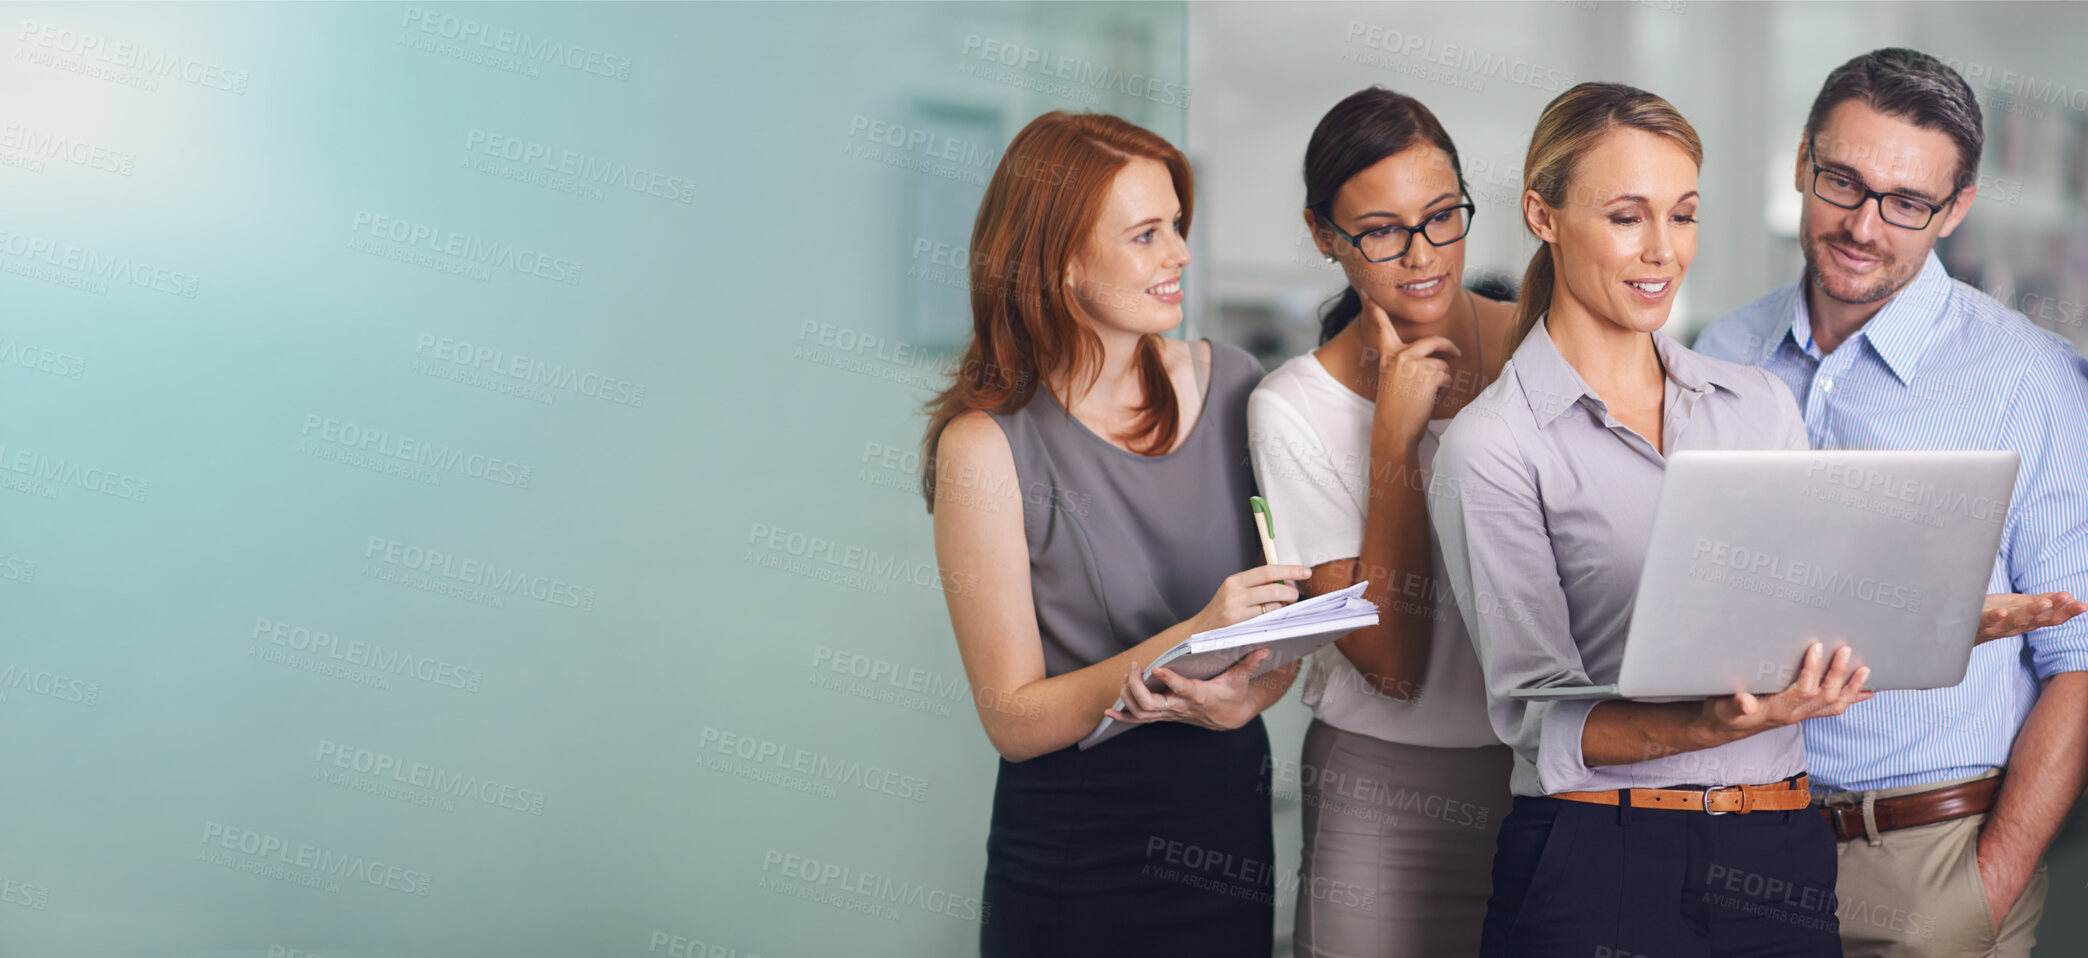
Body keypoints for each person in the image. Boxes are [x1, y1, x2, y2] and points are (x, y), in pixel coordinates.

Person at [1428, 82, 1869, 957]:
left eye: (1683, 215)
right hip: (1603, 861)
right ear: (1541, 215)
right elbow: (1535, 714)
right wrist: (1707, 724)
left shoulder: (1759, 407)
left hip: (1780, 850)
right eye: (1628, 216)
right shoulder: (1496, 445)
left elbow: (1804, 611)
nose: (1663, 252)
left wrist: (1945, 618)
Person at [1694, 47, 2088, 958]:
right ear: (1802, 162)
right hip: (1734, 836)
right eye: (1843, 182)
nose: (1864, 226)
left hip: (1924, 863)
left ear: (1956, 210)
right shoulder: (1726, 348)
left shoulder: (2031, 380)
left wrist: (1986, 888)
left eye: (1908, 203)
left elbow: (2078, 656)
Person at [922, 110, 1310, 957]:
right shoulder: (985, 449)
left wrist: (1251, 693)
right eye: (1145, 235)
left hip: (1229, 832)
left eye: (1177, 226)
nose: (1179, 254)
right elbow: (1013, 719)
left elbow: (1273, 645)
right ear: (1061, 264)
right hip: (1079, 862)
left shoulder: (1238, 385)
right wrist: (1189, 638)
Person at [1245, 86, 1515, 957]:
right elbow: (1392, 665)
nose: (1422, 254)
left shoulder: (1544, 351)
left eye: (1442, 217)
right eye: (1381, 231)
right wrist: (1394, 437)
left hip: (1551, 778)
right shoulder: (1292, 407)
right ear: (1326, 235)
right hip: (1383, 795)